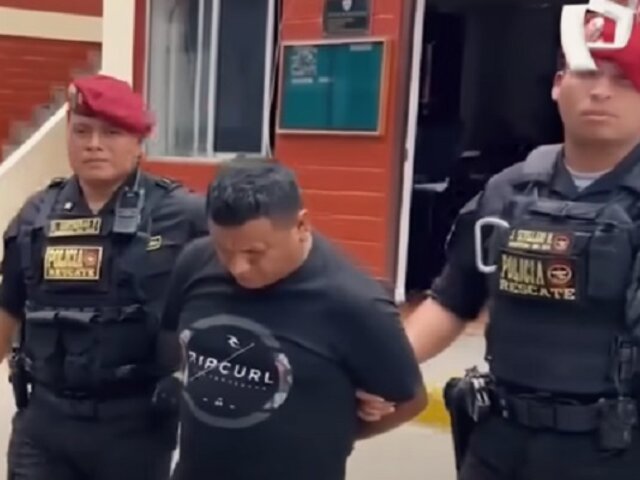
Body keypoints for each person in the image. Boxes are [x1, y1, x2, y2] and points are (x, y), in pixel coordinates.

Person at [358, 4, 640, 480]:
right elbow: (451, 301)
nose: (600, 91)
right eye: (587, 72)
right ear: (558, 85)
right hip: (498, 441)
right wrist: (383, 371)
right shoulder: (508, 191)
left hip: (612, 453)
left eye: (625, 80)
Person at [156, 159, 427, 480]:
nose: (238, 267)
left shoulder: (355, 303)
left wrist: (335, 435)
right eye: (223, 250)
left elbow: (410, 399)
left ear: (301, 226)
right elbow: (172, 339)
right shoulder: (195, 262)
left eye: (254, 253)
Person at [0, 74, 208, 480]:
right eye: (81, 131)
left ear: (139, 141)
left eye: (111, 133)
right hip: (44, 424)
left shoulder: (184, 215)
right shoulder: (35, 216)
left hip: (135, 426)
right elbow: (7, 311)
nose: (93, 144)